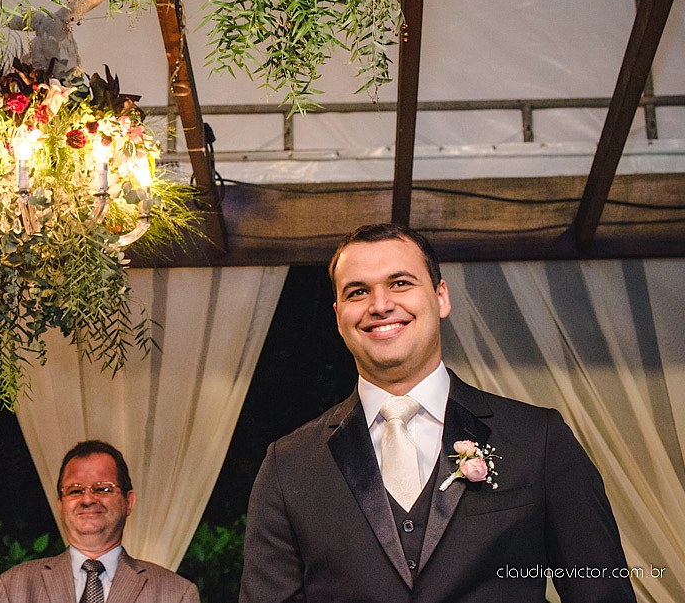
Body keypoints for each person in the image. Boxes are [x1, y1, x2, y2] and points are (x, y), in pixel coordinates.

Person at [239, 223, 636, 603]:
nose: (380, 305)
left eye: (400, 283)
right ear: (339, 317)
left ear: (441, 297)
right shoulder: (288, 465)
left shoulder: (539, 438)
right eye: (358, 292)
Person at [0, 440, 200, 603]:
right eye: (75, 490)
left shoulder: (176, 594)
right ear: (60, 504)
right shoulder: (12, 589)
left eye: (103, 488)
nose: (88, 499)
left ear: (129, 502)